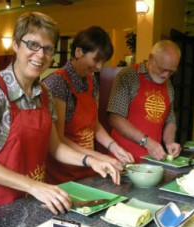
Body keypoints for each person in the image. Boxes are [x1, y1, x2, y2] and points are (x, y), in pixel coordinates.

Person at [0, 12, 119, 215]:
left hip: (32, 200)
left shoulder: (44, 94)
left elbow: (55, 146)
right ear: (16, 45)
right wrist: (33, 186)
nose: (41, 55)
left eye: (47, 48)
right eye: (33, 45)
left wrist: (92, 161)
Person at [42, 26, 133, 184]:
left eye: (102, 62)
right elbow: (59, 138)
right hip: (62, 173)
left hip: (87, 168)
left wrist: (114, 148)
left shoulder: (91, 81)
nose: (99, 67)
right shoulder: (57, 83)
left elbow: (94, 125)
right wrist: (99, 157)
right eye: (96, 60)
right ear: (78, 52)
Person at [107, 39, 181, 163]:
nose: (165, 75)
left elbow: (170, 119)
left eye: (171, 72)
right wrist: (146, 142)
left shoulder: (168, 84)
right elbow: (115, 117)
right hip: (122, 159)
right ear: (151, 58)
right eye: (163, 69)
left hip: (151, 161)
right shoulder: (129, 75)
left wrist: (169, 142)